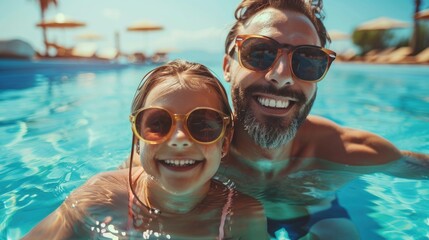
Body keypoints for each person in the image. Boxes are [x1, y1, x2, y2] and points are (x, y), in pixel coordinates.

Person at [219, 0, 429, 239]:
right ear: (227, 67)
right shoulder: (192, 148)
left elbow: (416, 166)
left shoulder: (345, 151)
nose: (281, 76)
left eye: (307, 61)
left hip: (318, 212)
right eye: (259, 53)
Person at [23, 60, 268, 240]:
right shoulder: (100, 199)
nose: (179, 139)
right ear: (137, 137)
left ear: (224, 142)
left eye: (203, 125)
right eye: (158, 124)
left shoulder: (242, 215)